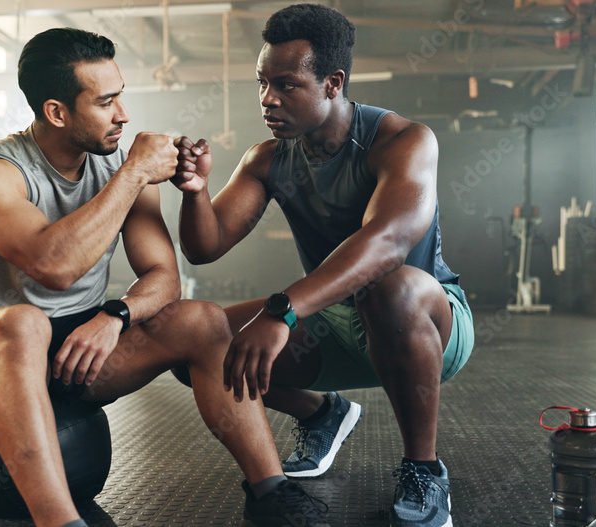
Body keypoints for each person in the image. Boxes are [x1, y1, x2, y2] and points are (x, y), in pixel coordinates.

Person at [0, 27, 330, 527]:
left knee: (204, 319)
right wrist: (132, 175)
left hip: (80, 346)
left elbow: (164, 278)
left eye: (120, 96)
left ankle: (270, 492)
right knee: (24, 324)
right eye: (105, 102)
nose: (122, 114)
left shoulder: (124, 169)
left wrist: (114, 315)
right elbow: (53, 267)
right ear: (57, 111)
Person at [170, 4, 474, 527]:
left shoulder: (403, 141)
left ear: (332, 83)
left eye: (286, 85)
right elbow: (205, 246)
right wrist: (195, 192)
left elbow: (387, 244)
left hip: (429, 320)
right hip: (334, 318)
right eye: (262, 83)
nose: (268, 98)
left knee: (392, 289)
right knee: (194, 341)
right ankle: (322, 414)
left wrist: (282, 311)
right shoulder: (267, 158)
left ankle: (426, 472)